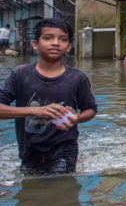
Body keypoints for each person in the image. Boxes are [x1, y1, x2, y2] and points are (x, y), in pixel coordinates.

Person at [0, 18, 97, 174]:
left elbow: (91, 109)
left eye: (62, 39)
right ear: (35, 44)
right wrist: (34, 111)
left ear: (69, 47)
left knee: (60, 184)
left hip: (65, 148)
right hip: (29, 149)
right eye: (48, 38)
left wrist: (77, 118)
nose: (55, 43)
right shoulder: (20, 74)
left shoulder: (78, 78)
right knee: (31, 189)